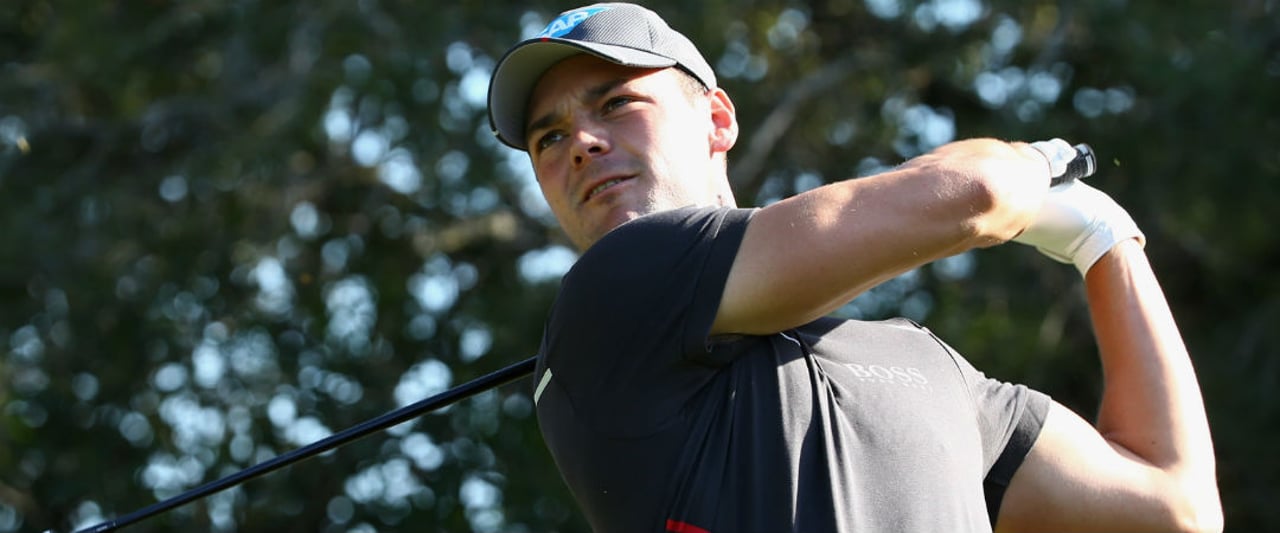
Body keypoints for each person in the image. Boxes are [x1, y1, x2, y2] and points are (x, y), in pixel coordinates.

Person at [486, 3, 1223, 532]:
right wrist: (1033, 162)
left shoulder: (928, 365)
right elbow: (978, 192)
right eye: (548, 138)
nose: (579, 142)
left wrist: (1106, 244)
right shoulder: (610, 294)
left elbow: (1176, 504)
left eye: (615, 102)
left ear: (717, 119)